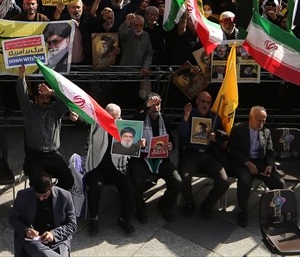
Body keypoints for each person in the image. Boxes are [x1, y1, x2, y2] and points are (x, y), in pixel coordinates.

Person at [16, 66, 77, 190]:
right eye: (42, 97)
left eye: (47, 97)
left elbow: (68, 98)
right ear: (36, 98)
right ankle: (44, 196)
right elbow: (22, 94)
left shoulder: (55, 110)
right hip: (35, 156)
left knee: (69, 180)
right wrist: (22, 76)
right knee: (38, 183)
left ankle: (51, 195)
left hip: (54, 155)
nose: (45, 100)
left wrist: (52, 92)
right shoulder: (29, 110)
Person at [127, 92, 183, 223]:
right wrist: (138, 143)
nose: (156, 108)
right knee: (135, 181)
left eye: (158, 104)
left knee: (177, 181)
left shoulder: (165, 119)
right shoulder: (140, 117)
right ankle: (140, 210)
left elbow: (172, 140)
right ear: (147, 106)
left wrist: (170, 145)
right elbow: (136, 117)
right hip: (142, 159)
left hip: (161, 160)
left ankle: (165, 206)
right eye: (152, 105)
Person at [82, 102, 136, 235]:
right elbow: (82, 119)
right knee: (95, 187)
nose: (112, 120)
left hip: (117, 167)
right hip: (97, 166)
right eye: (109, 116)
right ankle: (94, 219)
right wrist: (75, 117)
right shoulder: (96, 122)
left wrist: (139, 143)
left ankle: (124, 219)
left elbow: (131, 148)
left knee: (129, 188)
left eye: (115, 118)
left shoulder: (126, 128)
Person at [176, 91, 231, 219]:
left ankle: (207, 205)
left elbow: (224, 137)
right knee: (183, 177)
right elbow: (181, 134)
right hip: (191, 154)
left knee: (224, 181)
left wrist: (215, 137)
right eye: (202, 101)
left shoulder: (214, 117)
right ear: (197, 101)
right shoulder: (190, 114)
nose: (205, 105)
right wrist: (185, 116)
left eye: (208, 102)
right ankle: (189, 204)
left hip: (209, 155)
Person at [229, 105, 282, 227]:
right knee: (244, 182)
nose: (261, 123)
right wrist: (247, 163)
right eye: (259, 120)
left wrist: (270, 165)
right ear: (250, 118)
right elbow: (233, 150)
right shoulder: (239, 129)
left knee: (279, 183)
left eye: (264, 120)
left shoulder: (266, 132)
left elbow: (270, 151)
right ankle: (242, 212)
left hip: (260, 162)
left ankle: (274, 212)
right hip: (243, 162)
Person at [8, 172, 78, 257]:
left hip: (58, 240)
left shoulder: (65, 196)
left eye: (45, 196)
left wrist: (53, 234)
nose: (41, 198)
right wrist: (26, 230)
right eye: (38, 195)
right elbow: (13, 218)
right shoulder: (23, 195)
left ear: (51, 188)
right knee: (36, 249)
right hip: (33, 240)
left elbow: (72, 225)